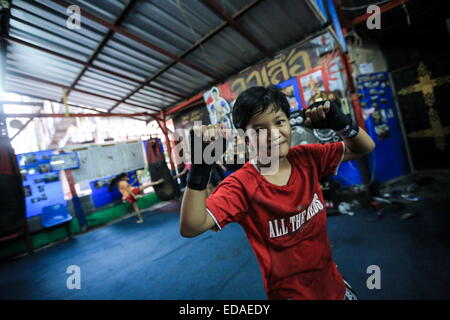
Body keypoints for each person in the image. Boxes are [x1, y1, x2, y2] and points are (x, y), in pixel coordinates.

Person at [180, 85, 375, 300]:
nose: (274, 134)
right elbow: (192, 226)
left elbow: (364, 147)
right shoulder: (241, 185)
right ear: (246, 138)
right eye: (260, 129)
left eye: (279, 122)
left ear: (289, 123)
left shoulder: (307, 157)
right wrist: (199, 170)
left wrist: (342, 124)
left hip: (333, 285)